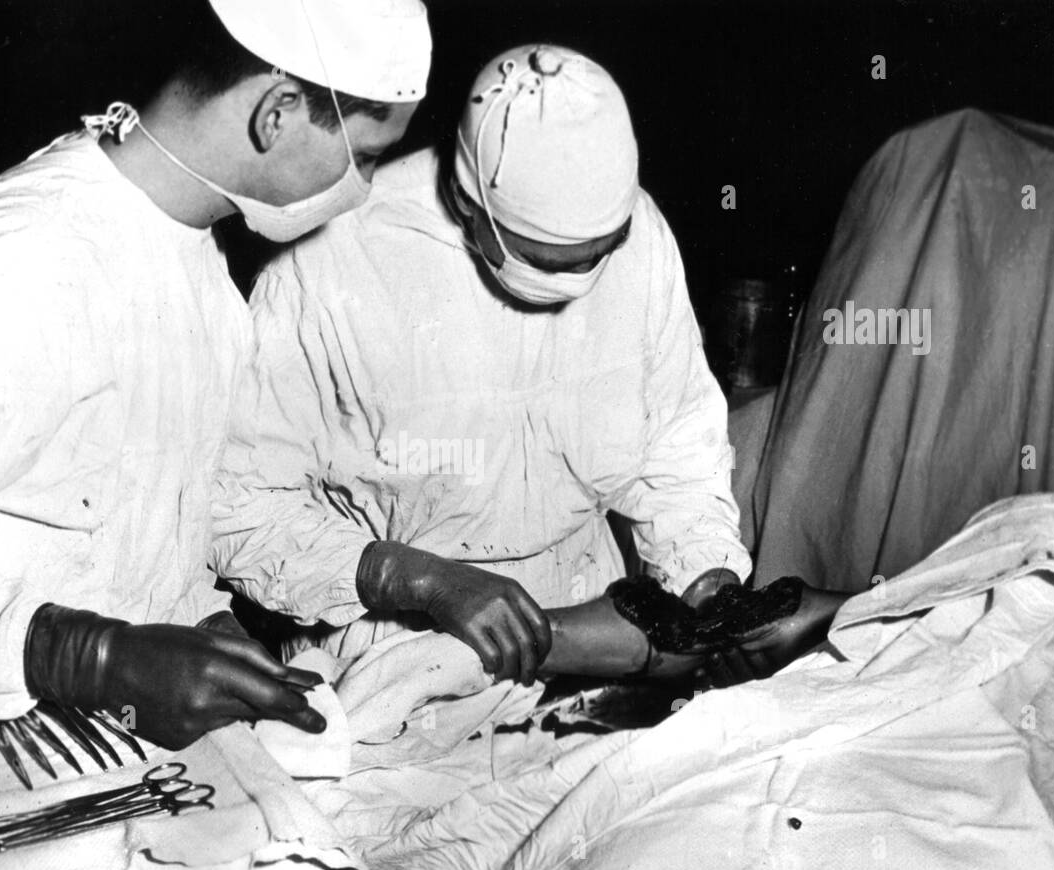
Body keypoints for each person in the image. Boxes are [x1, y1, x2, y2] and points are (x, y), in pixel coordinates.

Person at [0, 0, 432, 749]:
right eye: (368, 155)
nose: (367, 187)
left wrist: (209, 635)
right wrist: (85, 656)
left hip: (98, 752)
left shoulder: (200, 272)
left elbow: (144, 529)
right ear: (277, 113)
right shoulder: (21, 262)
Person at [210, 44, 832, 687]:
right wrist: (408, 576)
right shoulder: (334, 260)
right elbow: (237, 504)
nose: (579, 281)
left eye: (598, 254)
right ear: (468, 204)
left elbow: (675, 446)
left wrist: (706, 583)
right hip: (402, 644)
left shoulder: (640, 234)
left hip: (599, 627)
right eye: (548, 261)